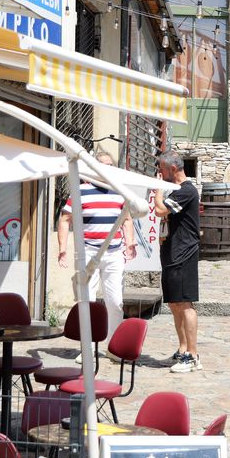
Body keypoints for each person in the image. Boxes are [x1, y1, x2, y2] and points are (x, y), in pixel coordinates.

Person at [57, 150, 136, 346]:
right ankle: (88, 348)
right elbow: (65, 219)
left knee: (115, 302)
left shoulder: (120, 192)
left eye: (111, 166)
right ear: (94, 168)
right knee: (87, 303)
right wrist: (62, 248)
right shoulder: (80, 191)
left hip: (113, 253)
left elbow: (127, 220)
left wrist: (130, 243)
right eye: (104, 166)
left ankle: (114, 345)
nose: (108, 170)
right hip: (88, 253)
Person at [153, 151, 202, 373]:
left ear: (173, 169)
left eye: (162, 169)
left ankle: (193, 356)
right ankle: (182, 350)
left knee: (186, 304)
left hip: (184, 253)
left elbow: (159, 210)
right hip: (171, 252)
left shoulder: (187, 190)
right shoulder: (177, 191)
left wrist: (158, 188)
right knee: (174, 304)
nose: (160, 173)